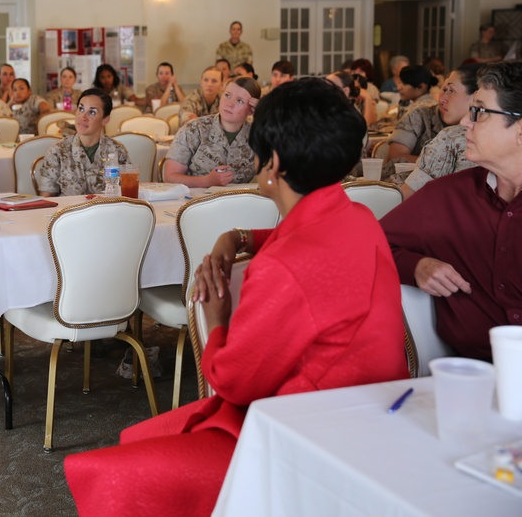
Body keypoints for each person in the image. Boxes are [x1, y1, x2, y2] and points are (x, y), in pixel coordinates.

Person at [65, 78, 409, 516]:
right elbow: (308, 233)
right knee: (141, 436)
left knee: (113, 470)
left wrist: (217, 314)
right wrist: (241, 235)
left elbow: (233, 382)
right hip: (371, 405)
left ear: (274, 163)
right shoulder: (359, 217)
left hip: (306, 433)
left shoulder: (282, 267)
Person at [381, 61, 522, 361]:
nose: (464, 123)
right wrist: (416, 266)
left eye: (480, 112)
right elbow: (371, 245)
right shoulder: (446, 198)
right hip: (474, 383)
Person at [164, 77, 261, 187]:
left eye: (239, 101)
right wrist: (207, 181)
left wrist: (266, 115)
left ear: (251, 109)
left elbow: (280, 170)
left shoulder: (257, 135)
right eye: (227, 95)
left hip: (241, 201)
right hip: (196, 201)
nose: (229, 103)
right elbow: (170, 177)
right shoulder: (194, 129)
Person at [38, 88, 129, 196]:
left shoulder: (117, 151)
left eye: (92, 112)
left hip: (107, 211)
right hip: (69, 212)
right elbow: (47, 199)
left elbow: (128, 195)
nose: (83, 117)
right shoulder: (58, 151)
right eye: (81, 109)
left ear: (105, 119)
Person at [387, 65, 476, 175]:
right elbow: (394, 156)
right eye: (444, 90)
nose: (442, 99)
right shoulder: (419, 115)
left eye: (451, 91)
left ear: (475, 97)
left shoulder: (480, 132)